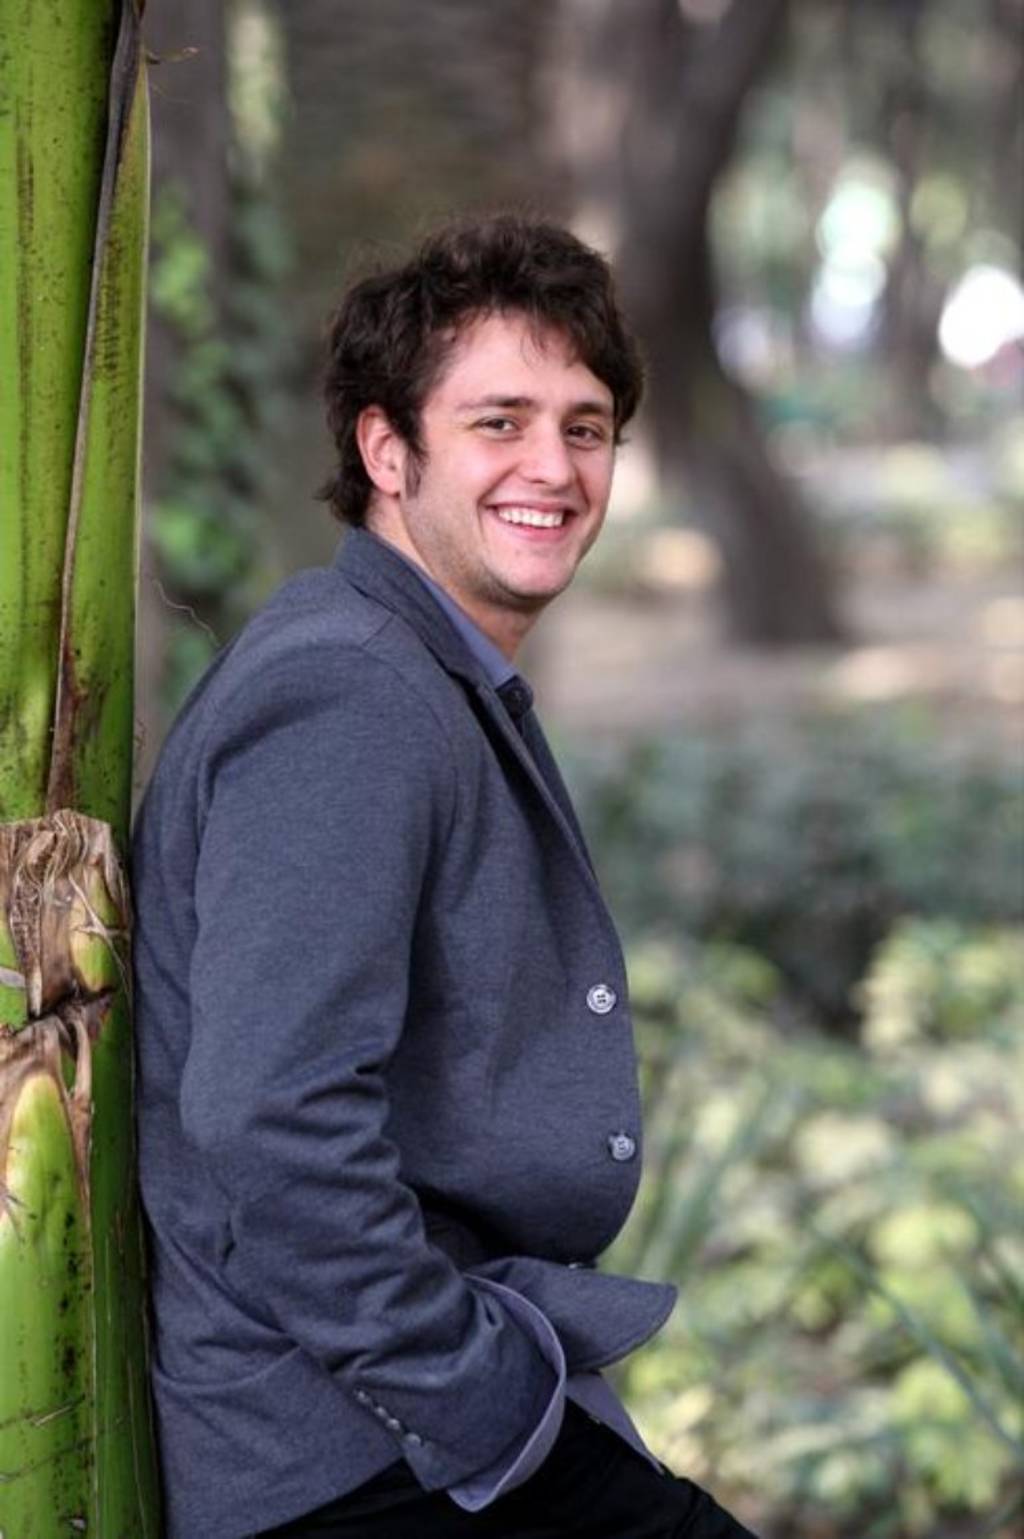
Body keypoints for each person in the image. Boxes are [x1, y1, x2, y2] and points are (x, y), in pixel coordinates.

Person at [132, 214, 758, 1539]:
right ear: (386, 450)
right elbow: (271, 1117)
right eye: (498, 423)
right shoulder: (349, 694)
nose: (554, 468)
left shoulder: (406, 665)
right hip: (345, 1460)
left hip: (396, 1428)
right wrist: (482, 1404)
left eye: (586, 428)